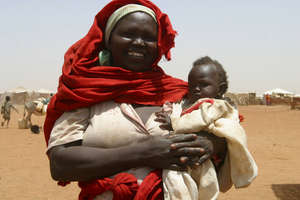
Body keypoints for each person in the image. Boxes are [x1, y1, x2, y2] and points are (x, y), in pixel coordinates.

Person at [44, 1, 228, 199]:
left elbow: (226, 131)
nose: (139, 42)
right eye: (128, 34)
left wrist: (211, 143)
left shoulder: (179, 92)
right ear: (108, 40)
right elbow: (60, 164)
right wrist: (142, 152)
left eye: (148, 37)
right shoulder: (84, 92)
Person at [155, 56, 257, 199]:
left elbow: (197, 121)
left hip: (204, 162)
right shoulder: (189, 103)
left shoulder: (214, 105)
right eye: (191, 85)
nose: (196, 89)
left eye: (203, 84)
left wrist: (174, 123)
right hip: (190, 160)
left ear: (220, 89)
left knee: (204, 188)